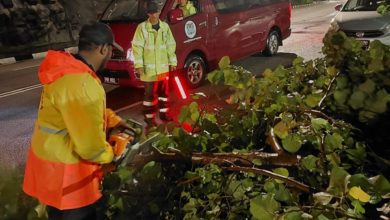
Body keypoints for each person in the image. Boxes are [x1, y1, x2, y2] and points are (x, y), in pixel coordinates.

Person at [23, 22, 131, 220]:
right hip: (70, 181)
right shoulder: (83, 84)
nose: (109, 56)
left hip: (49, 170)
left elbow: (78, 111)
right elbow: (91, 148)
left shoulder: (67, 71)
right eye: (110, 51)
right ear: (103, 49)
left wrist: (112, 120)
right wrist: (114, 155)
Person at [132, 1, 177, 128]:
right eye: (151, 13)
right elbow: (137, 47)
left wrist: (172, 62)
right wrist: (139, 66)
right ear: (148, 14)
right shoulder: (142, 28)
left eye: (156, 12)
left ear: (158, 12)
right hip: (148, 70)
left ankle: (163, 114)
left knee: (164, 95)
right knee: (149, 96)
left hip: (162, 68)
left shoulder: (165, 28)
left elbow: (170, 45)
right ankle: (150, 119)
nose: (154, 15)